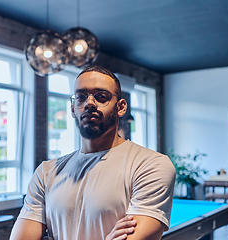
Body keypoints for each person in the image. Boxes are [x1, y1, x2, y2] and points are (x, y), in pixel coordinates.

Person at [10, 66, 175, 240]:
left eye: (101, 96)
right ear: (73, 108)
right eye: (81, 97)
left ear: (121, 107)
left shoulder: (151, 165)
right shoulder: (46, 172)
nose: (89, 103)